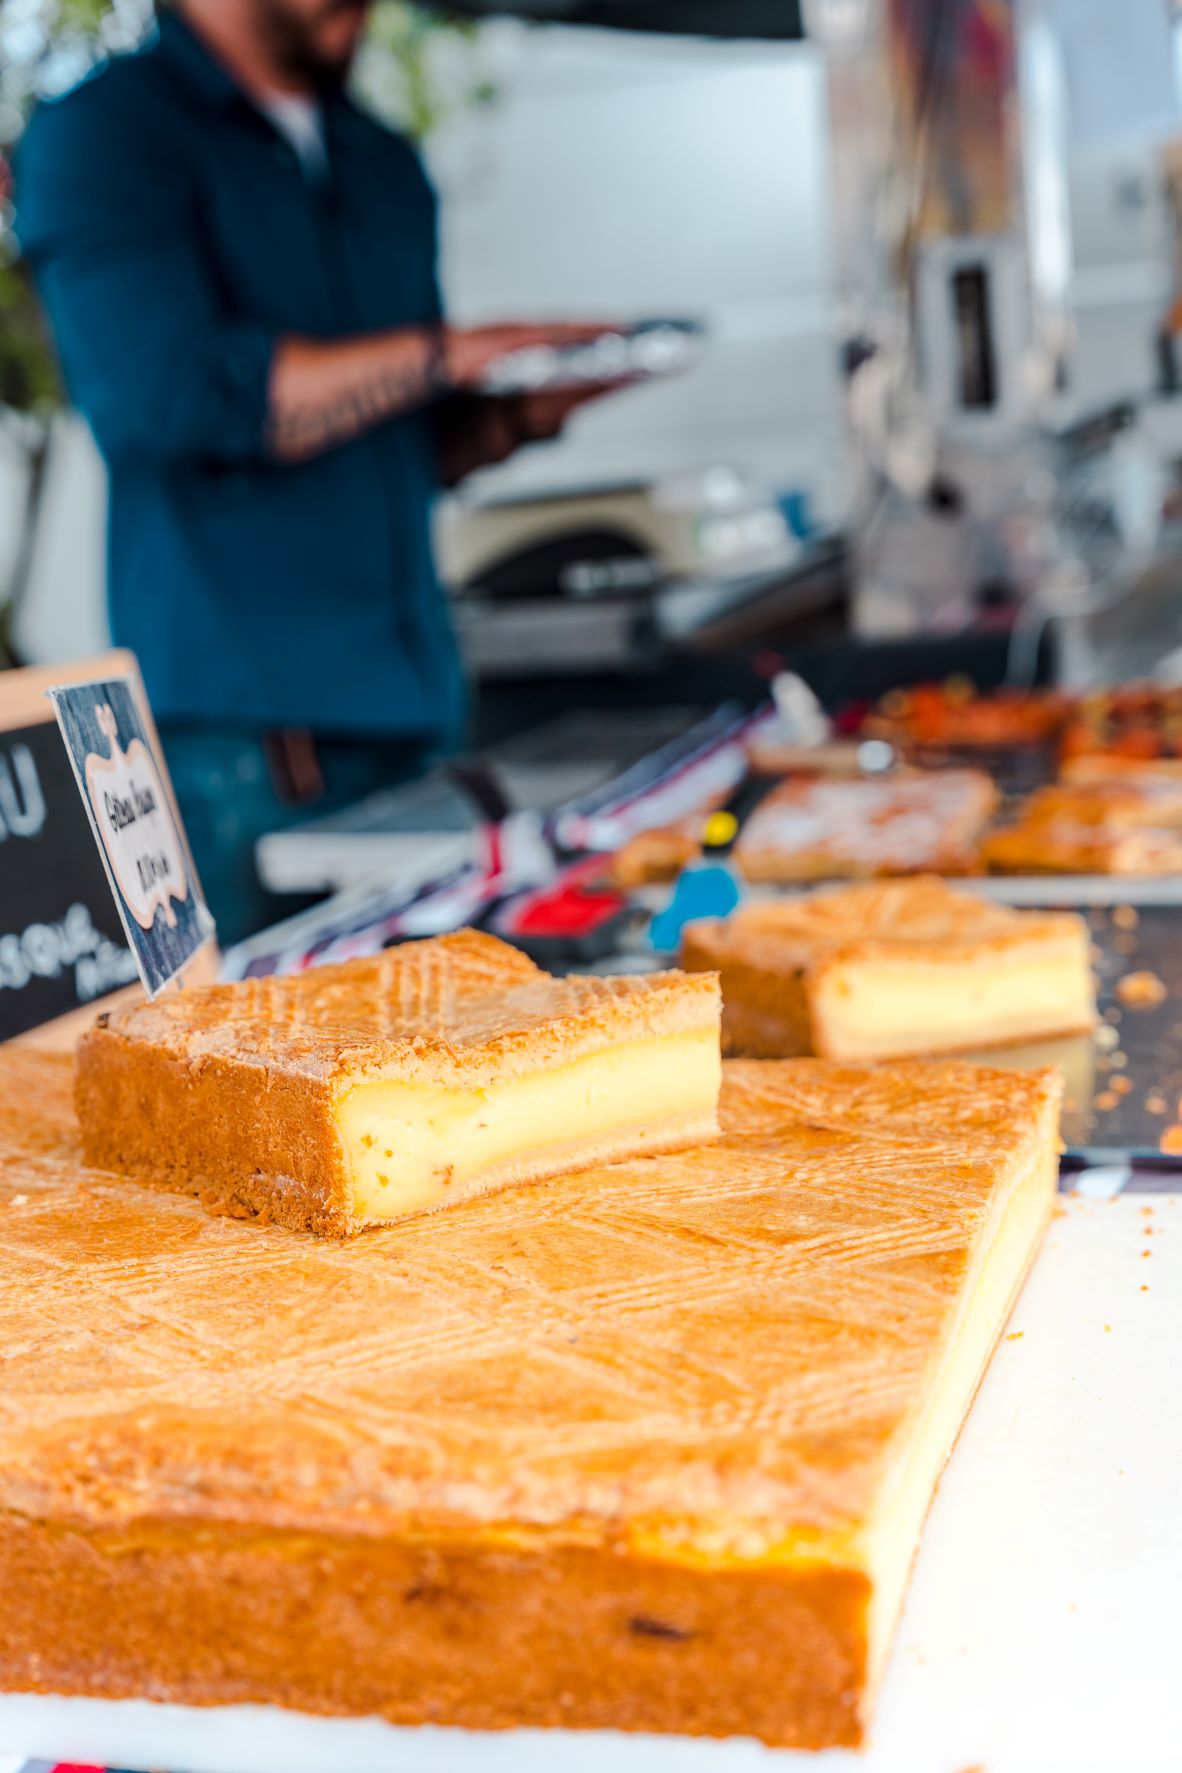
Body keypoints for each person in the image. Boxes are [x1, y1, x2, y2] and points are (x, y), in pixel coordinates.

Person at [16, 0, 616, 942]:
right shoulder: (102, 135)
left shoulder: (381, 158)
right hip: (244, 742)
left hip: (423, 707)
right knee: (260, 1064)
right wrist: (446, 355)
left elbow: (409, 444)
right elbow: (164, 399)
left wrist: (526, 404)